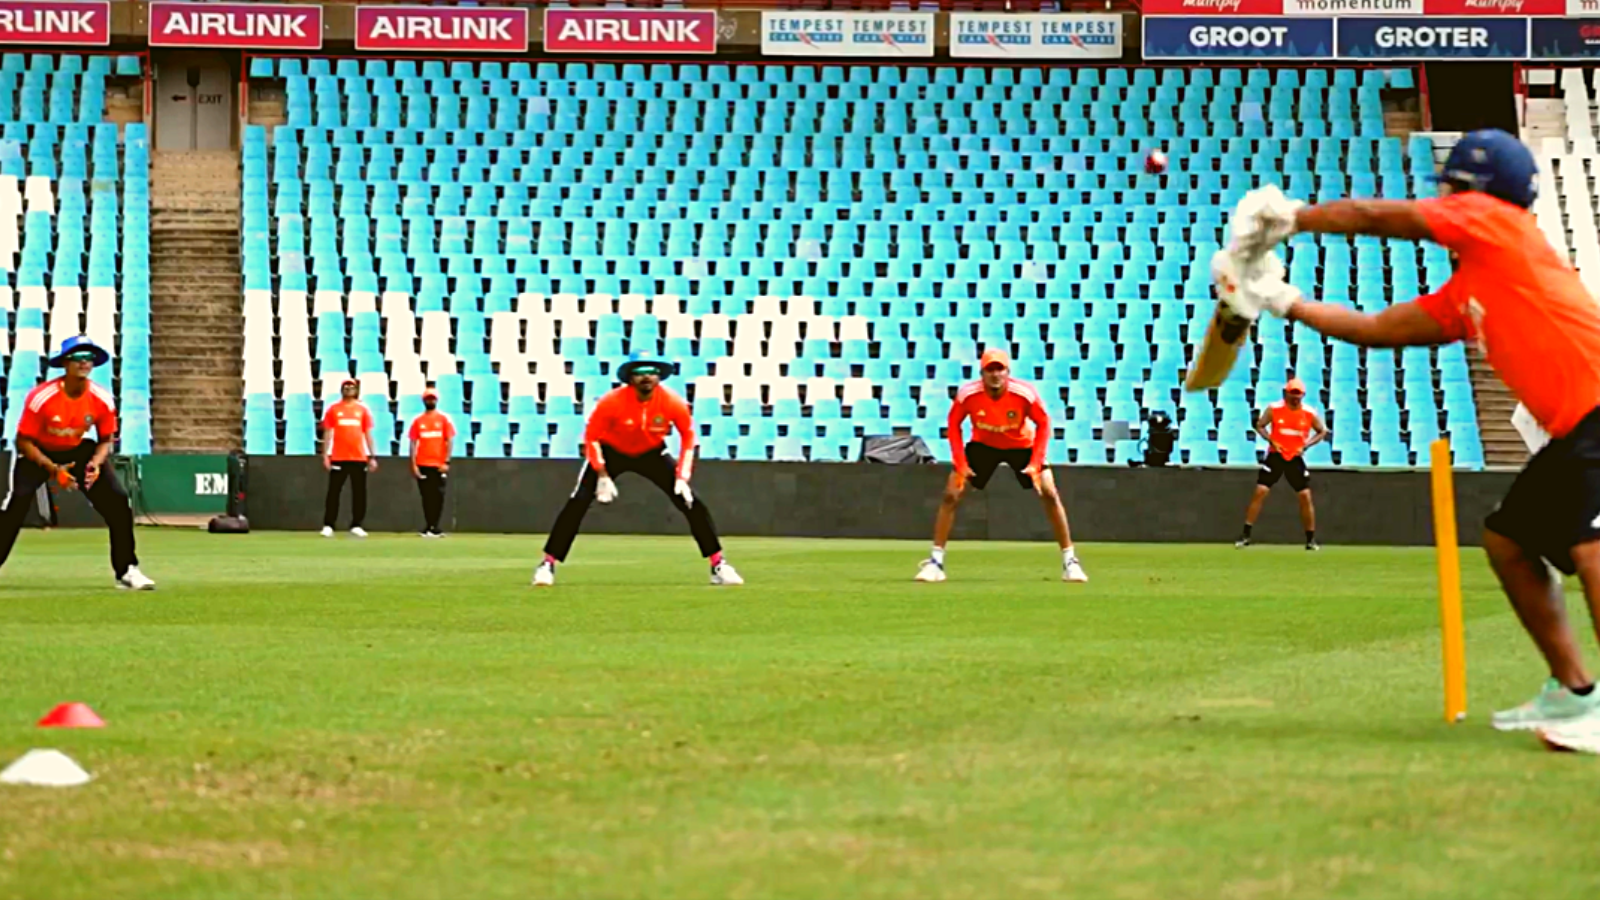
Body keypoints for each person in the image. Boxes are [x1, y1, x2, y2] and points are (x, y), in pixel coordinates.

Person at [1224, 128, 1600, 739]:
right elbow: (1375, 328)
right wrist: (1282, 299)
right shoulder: (1474, 285)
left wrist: (1292, 217)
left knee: (1590, 548)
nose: (1444, 198)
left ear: (1469, 191)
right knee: (1507, 540)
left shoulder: (1498, 223)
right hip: (1576, 428)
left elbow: (1377, 214)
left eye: (1449, 188)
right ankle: (1574, 693)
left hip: (1597, 413)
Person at [533, 351, 742, 587]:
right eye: (640, 372)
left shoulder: (672, 402)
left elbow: (688, 437)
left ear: (659, 377)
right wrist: (601, 472)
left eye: (652, 372)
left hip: (652, 453)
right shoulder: (612, 402)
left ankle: (718, 564)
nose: (646, 377)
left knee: (691, 502)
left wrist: (682, 477)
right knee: (578, 501)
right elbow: (591, 437)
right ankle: (547, 564)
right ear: (630, 378)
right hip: (612, 451)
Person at [915, 349, 1088, 583]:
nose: (995, 374)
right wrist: (960, 463)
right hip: (983, 445)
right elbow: (954, 424)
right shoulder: (968, 395)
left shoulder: (1024, 393)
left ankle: (1070, 562)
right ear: (982, 373)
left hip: (1020, 445)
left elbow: (1044, 423)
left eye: (1000, 369)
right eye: (990, 370)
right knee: (951, 495)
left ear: (1008, 372)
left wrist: (1036, 463)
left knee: (1049, 492)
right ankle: (935, 563)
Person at [0, 335, 154, 589]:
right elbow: (23, 442)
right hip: (37, 453)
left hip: (77, 451)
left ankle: (127, 570)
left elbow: (106, 439)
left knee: (117, 501)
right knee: (16, 506)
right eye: (78, 358)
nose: (84, 363)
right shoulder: (42, 397)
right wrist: (53, 469)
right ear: (65, 364)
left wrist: (95, 463)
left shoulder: (101, 398)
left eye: (89, 358)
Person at [1236, 377, 1328, 550]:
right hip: (1276, 456)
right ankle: (1245, 535)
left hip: (1295, 457)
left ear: (1303, 395)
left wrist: (1305, 446)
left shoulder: (1309, 413)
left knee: (1305, 496)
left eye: (1298, 394)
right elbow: (1260, 425)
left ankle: (1310, 539)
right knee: (1260, 491)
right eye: (1292, 393)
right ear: (1285, 393)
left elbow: (1322, 431)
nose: (1295, 397)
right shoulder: (1274, 409)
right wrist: (1271, 440)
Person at [320, 378, 377, 538]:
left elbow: (367, 434)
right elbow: (328, 433)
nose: (348, 389)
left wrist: (372, 456)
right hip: (338, 456)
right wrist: (325, 455)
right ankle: (329, 524)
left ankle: (357, 524)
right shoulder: (334, 409)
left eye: (351, 386)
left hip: (359, 457)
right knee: (334, 492)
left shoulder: (362, 410)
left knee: (359, 493)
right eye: (346, 386)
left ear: (356, 390)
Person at [408, 386, 455, 538]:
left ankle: (435, 526)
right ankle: (429, 526)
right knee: (426, 497)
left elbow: (449, 440)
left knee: (438, 497)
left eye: (432, 399)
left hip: (438, 465)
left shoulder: (443, 420)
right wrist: (414, 464)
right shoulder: (418, 421)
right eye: (428, 399)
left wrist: (446, 461)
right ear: (424, 401)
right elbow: (413, 443)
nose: (430, 401)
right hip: (423, 464)